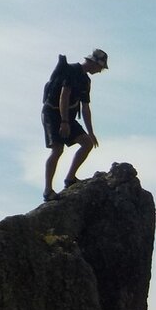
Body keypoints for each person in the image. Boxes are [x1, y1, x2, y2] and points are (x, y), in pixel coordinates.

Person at [42, 49, 109, 201]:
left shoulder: (86, 81)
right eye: (100, 67)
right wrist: (64, 122)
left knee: (87, 143)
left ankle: (70, 179)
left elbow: (85, 107)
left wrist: (91, 133)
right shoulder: (71, 71)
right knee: (57, 150)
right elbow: (63, 96)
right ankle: (48, 190)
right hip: (52, 114)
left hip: (69, 117)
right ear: (94, 63)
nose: (100, 71)